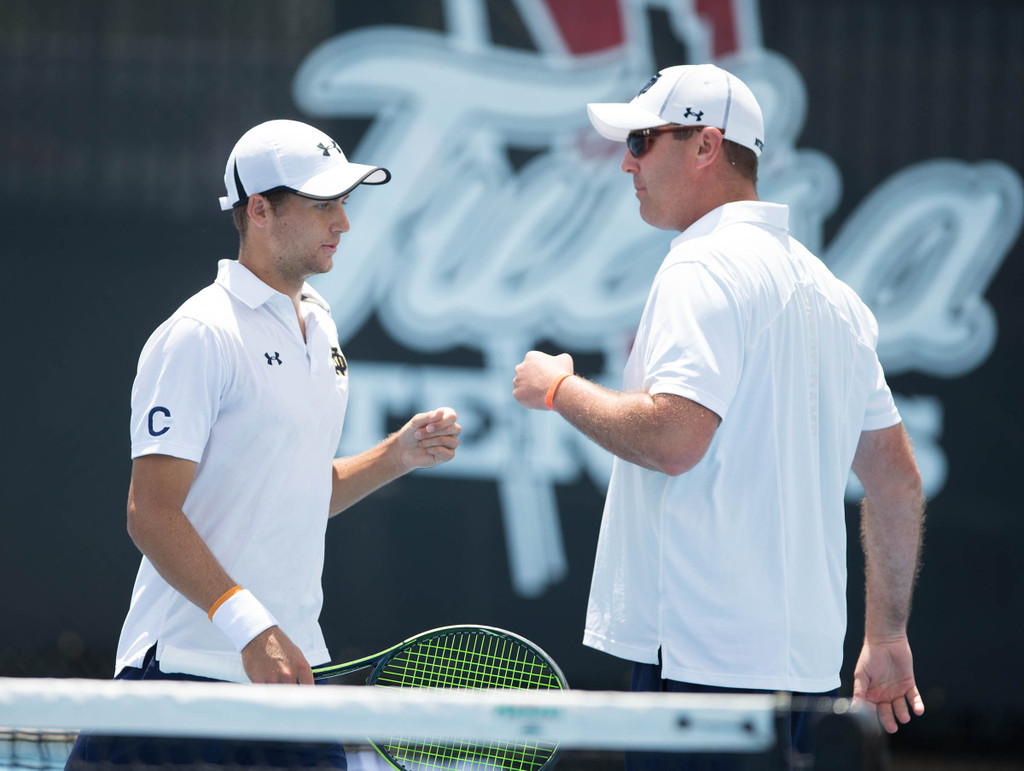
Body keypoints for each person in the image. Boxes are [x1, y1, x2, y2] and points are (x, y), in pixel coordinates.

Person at [512, 64, 925, 768]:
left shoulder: (700, 265)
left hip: (702, 671)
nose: (627, 161)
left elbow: (675, 437)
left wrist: (558, 388)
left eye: (643, 140)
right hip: (803, 677)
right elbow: (895, 482)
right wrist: (886, 634)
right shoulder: (835, 296)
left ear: (706, 146)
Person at [66, 119, 461, 770]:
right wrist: (252, 628)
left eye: (345, 202)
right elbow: (151, 511)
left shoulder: (323, 327)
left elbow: (302, 491)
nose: (345, 222)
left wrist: (398, 453)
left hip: (293, 677)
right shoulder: (199, 333)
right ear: (259, 210)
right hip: (182, 683)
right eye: (324, 204)